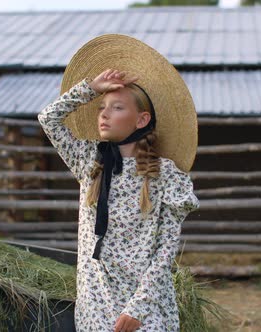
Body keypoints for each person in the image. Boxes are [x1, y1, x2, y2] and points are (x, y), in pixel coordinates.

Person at [37, 34, 200, 332]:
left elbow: (165, 252)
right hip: (95, 305)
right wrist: (90, 88)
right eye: (102, 107)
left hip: (145, 308)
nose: (104, 114)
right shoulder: (89, 163)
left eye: (117, 108)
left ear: (141, 120)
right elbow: (48, 119)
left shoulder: (164, 175)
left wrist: (138, 308)